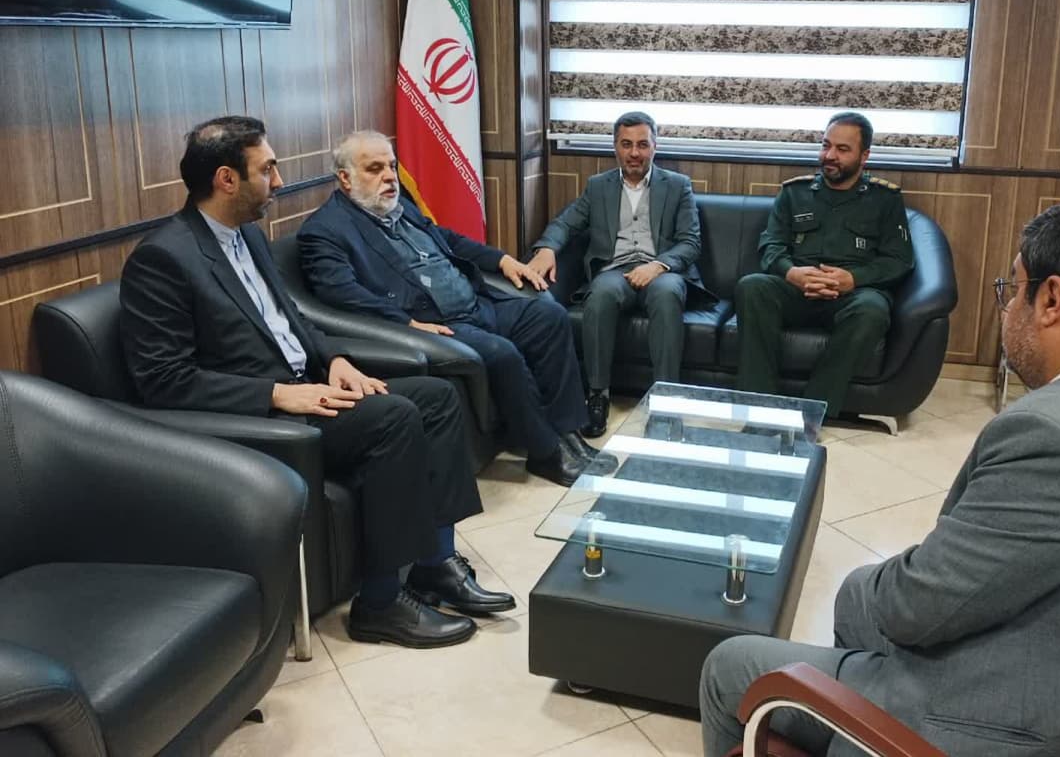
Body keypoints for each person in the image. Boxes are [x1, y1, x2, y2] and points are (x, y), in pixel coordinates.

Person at [700, 197, 1060, 757]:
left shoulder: (1057, 437)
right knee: (867, 605)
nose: (1008, 309)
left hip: (1017, 719)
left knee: (733, 664)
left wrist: (862, 592)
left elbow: (914, 608)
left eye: (1013, 289)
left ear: (1052, 300)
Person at [119, 116, 515, 651]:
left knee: (438, 397)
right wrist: (276, 394)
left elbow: (290, 320)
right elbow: (163, 382)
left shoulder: (248, 236)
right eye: (267, 169)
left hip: (309, 387)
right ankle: (380, 605)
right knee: (395, 416)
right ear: (226, 180)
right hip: (261, 419)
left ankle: (434, 563)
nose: (280, 181)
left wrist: (335, 359)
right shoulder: (164, 259)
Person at [296, 129, 601, 487]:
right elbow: (341, 294)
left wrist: (502, 260)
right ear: (345, 178)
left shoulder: (399, 206)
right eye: (375, 169)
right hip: (435, 323)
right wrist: (406, 322)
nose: (389, 177)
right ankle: (546, 452)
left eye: (391, 166)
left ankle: (567, 433)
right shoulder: (324, 231)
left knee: (550, 317)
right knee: (502, 353)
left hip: (477, 304)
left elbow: (449, 240)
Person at [529, 111, 714, 436]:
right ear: (615, 147)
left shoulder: (678, 186)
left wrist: (657, 266)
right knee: (600, 294)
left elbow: (690, 242)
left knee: (667, 294)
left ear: (655, 146)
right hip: (615, 271)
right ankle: (597, 395)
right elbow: (565, 223)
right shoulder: (598, 187)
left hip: (662, 270)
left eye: (642, 144)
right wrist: (546, 248)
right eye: (626, 144)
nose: (634, 153)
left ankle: (666, 400)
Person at [735, 112, 913, 417]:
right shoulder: (795, 192)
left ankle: (813, 412)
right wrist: (791, 272)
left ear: (864, 156)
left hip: (852, 295)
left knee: (872, 310)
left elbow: (899, 260)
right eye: (825, 145)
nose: (829, 156)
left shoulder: (885, 199)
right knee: (752, 287)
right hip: (797, 289)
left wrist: (853, 278)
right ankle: (758, 408)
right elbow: (771, 246)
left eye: (842, 149)